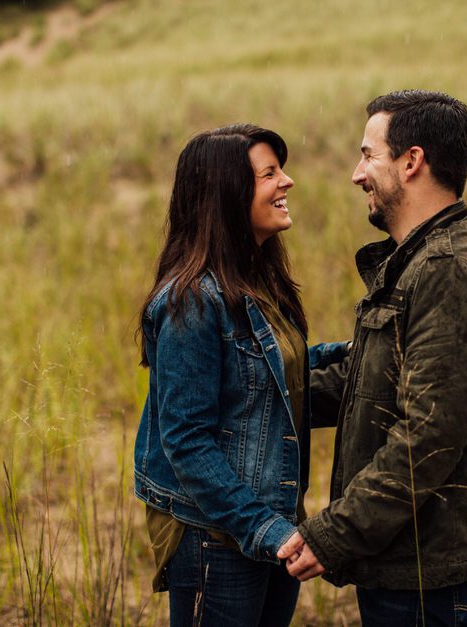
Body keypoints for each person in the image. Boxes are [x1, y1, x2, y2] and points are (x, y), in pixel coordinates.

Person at [277, 90, 467, 626]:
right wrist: (258, 389)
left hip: (425, 573)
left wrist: (335, 532)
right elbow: (365, 381)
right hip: (404, 559)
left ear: (411, 162)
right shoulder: (416, 262)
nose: (356, 173)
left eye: (369, 154)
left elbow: (427, 437)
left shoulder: (447, 271)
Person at [133, 124, 348, 626]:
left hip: (270, 522)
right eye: (269, 174)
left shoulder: (255, 279)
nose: (287, 182)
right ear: (227, 195)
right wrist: (267, 530)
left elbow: (272, 373)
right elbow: (186, 440)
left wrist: (357, 353)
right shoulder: (192, 302)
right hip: (217, 536)